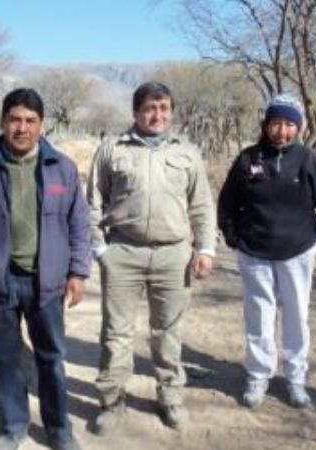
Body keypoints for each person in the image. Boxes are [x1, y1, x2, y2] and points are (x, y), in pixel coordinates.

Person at [0, 88, 90, 450]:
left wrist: (78, 272)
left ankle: (59, 430)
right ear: (3, 121)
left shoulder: (63, 169)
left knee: (51, 359)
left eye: (30, 121)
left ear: (42, 125)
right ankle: (15, 427)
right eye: (14, 119)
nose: (21, 128)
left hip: (47, 282)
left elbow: (79, 225)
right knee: (5, 360)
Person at [86, 81, 217, 433]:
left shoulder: (187, 153)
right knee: (116, 332)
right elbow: (92, 201)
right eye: (149, 108)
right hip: (123, 252)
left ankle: (170, 397)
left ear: (171, 112)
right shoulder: (112, 148)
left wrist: (205, 248)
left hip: (174, 255)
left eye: (163, 108)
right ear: (136, 112)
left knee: (168, 332)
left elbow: (202, 205)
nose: (157, 115)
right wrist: (100, 248)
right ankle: (112, 401)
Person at [217, 94, 316, 410]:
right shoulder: (248, 159)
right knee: (259, 316)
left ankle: (296, 380)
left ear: (297, 127)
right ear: (266, 124)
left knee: (296, 316)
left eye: (289, 124)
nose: (282, 131)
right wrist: (233, 236)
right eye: (276, 123)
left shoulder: (309, 159)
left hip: (297, 252)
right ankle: (258, 377)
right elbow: (228, 202)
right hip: (254, 253)